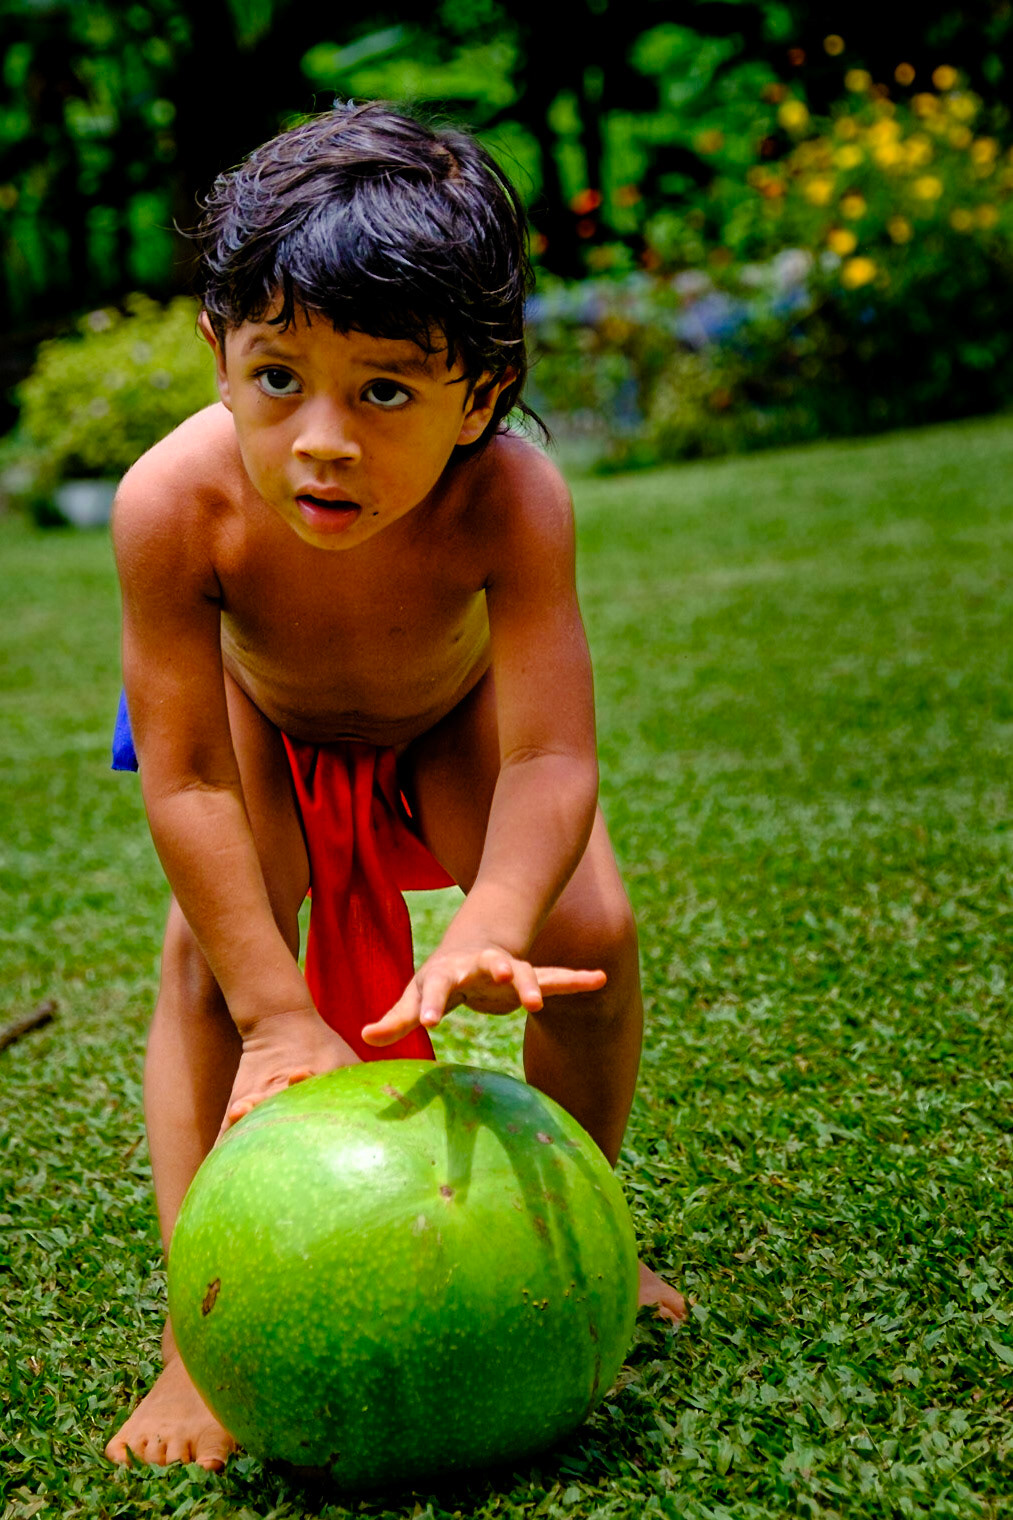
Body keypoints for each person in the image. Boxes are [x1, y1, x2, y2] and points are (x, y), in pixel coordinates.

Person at [104, 101, 685, 1472]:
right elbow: (182, 777)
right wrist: (274, 1013)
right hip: (260, 727)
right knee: (205, 968)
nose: (321, 440)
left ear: (479, 391)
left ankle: (574, 1239)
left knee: (589, 940)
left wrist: (489, 924)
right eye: (275, 378)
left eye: (384, 392)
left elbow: (548, 757)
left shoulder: (512, 499)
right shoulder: (170, 504)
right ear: (217, 352)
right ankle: (202, 1332)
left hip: (446, 720)